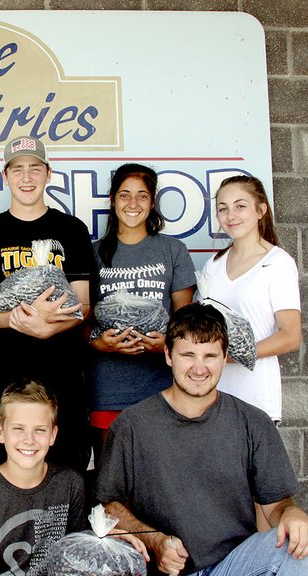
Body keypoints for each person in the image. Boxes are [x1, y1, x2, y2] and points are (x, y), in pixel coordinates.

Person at [94, 302, 308, 576]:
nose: (199, 368)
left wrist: (292, 513)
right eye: (188, 355)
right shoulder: (132, 425)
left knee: (305, 546)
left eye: (210, 356)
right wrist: (155, 540)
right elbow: (107, 507)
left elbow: (277, 506)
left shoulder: (252, 423)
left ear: (223, 357)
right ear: (168, 355)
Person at [0, 136, 98, 477]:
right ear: (4, 176)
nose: (26, 177)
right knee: (4, 462)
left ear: (48, 174)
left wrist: (49, 327)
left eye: (35, 168)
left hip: (62, 371)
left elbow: (84, 304)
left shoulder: (71, 230)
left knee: (66, 462)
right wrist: (20, 322)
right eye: (17, 169)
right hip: (5, 371)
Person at [0, 380, 148, 576]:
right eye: (18, 429)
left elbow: (79, 549)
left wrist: (108, 541)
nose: (29, 440)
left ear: (53, 435)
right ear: (0, 433)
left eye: (39, 430)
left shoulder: (70, 483)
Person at [88, 163, 196, 465]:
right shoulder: (93, 253)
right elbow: (80, 319)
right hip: (108, 388)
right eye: (124, 195)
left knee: (161, 482)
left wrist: (166, 345)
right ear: (112, 199)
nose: (132, 204)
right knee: (112, 484)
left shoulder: (173, 250)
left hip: (161, 388)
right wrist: (99, 344)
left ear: (152, 201)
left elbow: (184, 320)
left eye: (142, 196)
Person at [200, 175, 301, 423]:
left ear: (260, 210)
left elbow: (290, 336)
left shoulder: (278, 263)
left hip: (256, 399)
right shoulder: (213, 265)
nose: (231, 215)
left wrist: (231, 355)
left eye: (240, 205)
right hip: (211, 396)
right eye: (223, 209)